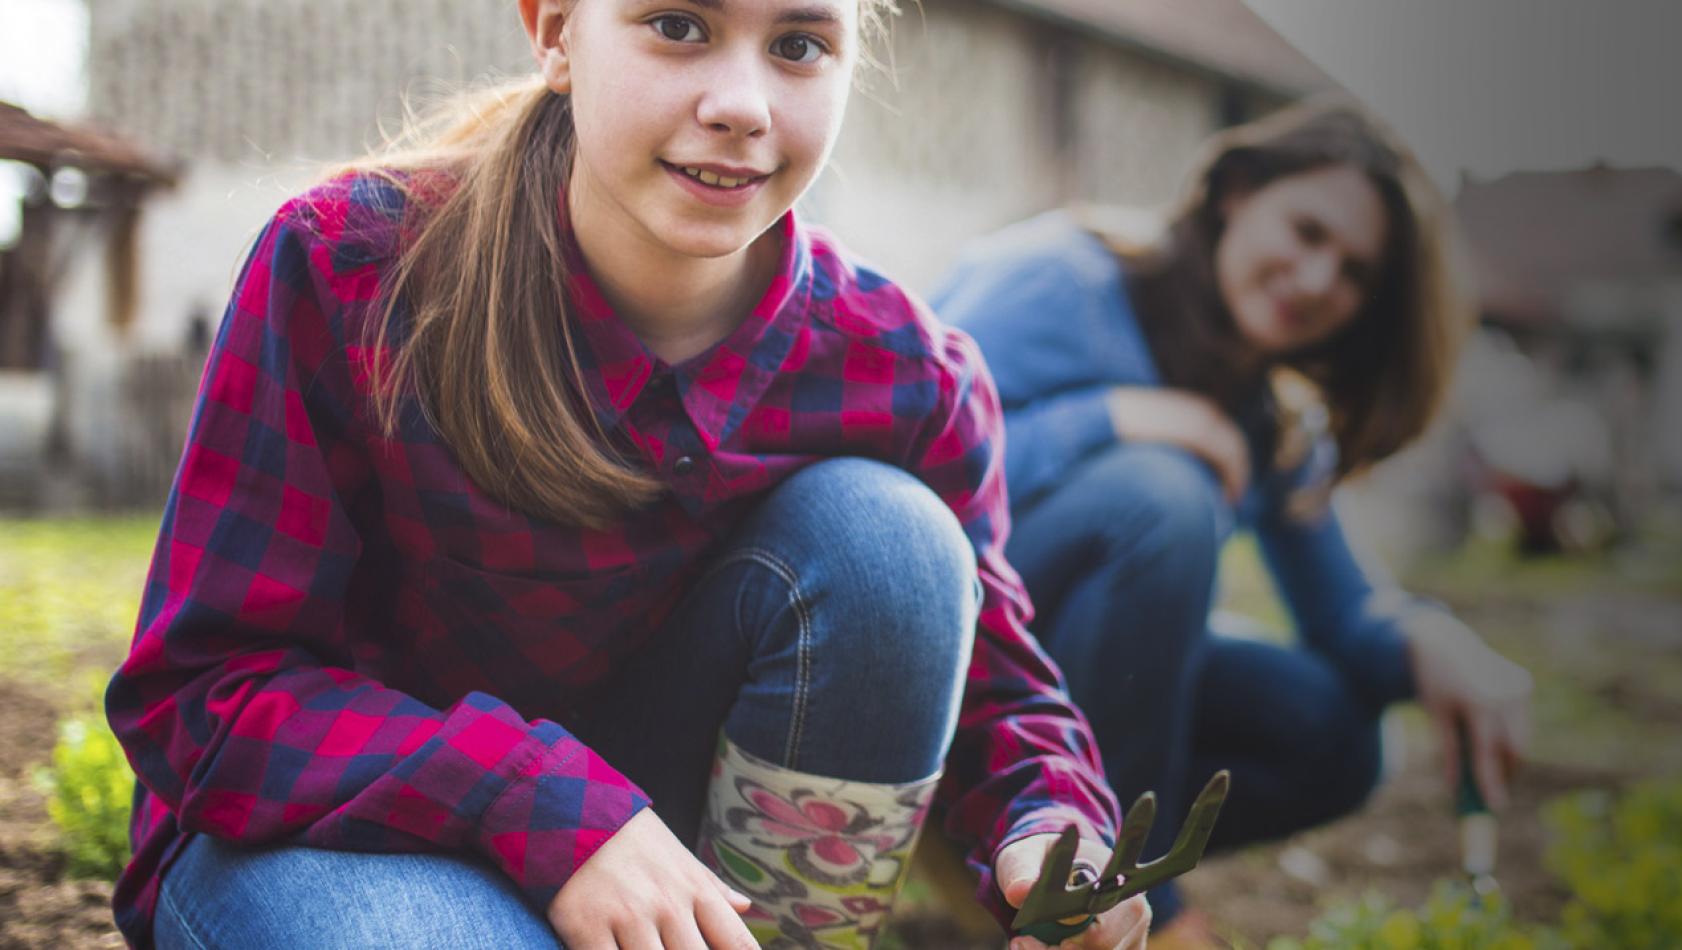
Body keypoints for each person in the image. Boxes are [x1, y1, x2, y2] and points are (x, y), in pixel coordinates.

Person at [101, 2, 1143, 947]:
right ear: (556, 33)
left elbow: (998, 674)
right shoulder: (349, 270)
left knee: (895, 543)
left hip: (677, 863)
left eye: (798, 45)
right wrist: (539, 801)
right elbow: (202, 696)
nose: (740, 104)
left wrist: (1047, 818)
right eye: (678, 25)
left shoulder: (901, 371)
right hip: (341, 832)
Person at [932, 99, 1536, 940]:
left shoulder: (1267, 417)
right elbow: (900, 458)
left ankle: (1042, 885)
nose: (1320, 280)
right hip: (947, 679)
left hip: (1069, 704)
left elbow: (1340, 611)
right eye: (1307, 232)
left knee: (1331, 732)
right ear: (1235, 192)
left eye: (1357, 271)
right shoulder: (1063, 278)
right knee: (1161, 495)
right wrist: (1116, 416)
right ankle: (1106, 902)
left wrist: (1429, 638)